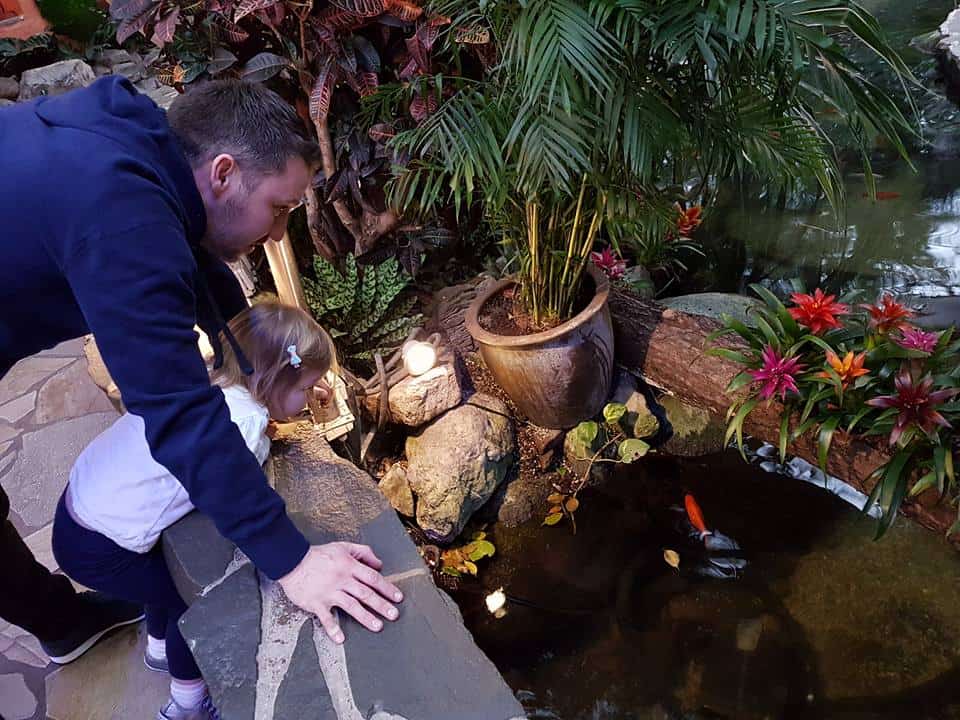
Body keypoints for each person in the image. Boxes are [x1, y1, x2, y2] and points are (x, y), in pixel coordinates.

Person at [0, 77, 401, 668]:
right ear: (223, 173)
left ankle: (62, 623)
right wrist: (290, 559)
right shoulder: (122, 222)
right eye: (279, 208)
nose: (278, 232)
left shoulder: (139, 142)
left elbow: (191, 249)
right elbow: (181, 413)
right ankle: (58, 620)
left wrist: (246, 345)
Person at [52, 302, 338, 719]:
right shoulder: (242, 427)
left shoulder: (204, 383)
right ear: (270, 380)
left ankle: (158, 647)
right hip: (103, 547)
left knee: (159, 580)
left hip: (77, 512)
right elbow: (237, 494)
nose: (309, 398)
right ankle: (185, 705)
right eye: (305, 389)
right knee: (192, 605)